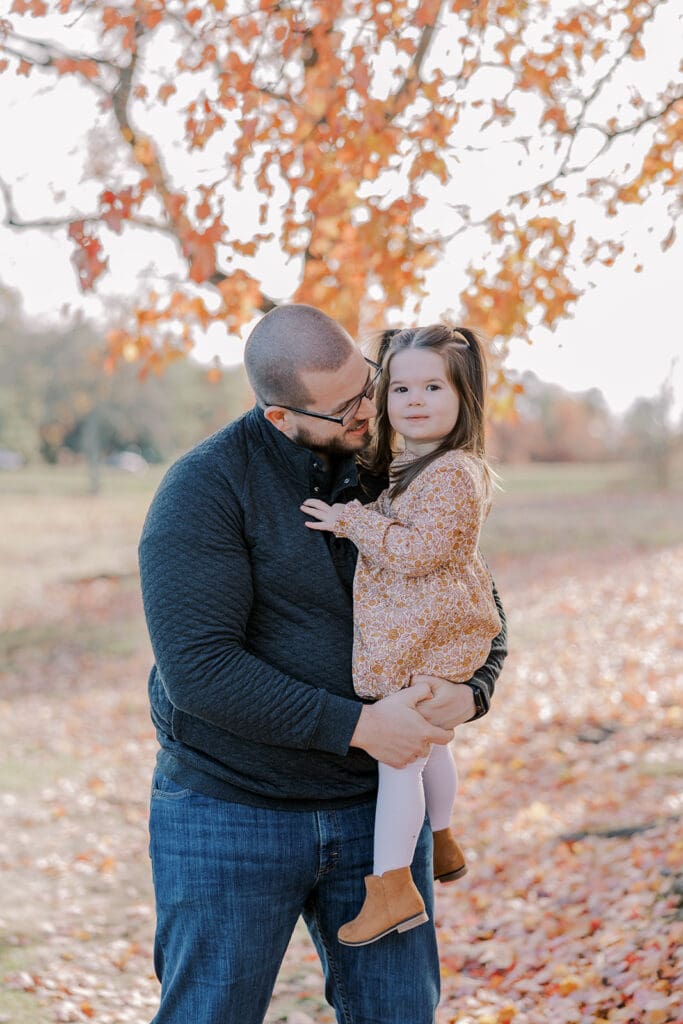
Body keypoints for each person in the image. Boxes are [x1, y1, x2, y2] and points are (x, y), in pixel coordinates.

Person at [138, 304, 508, 1024]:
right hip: (232, 811)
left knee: (400, 1015)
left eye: (368, 384)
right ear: (282, 417)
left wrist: (472, 692)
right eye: (347, 407)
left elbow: (474, 598)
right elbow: (200, 668)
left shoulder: (408, 472)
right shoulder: (204, 491)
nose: (372, 409)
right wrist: (360, 725)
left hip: (376, 816)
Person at [301, 324, 501, 948]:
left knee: (399, 758)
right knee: (433, 748)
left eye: (433, 386)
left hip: (428, 640)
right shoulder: (420, 465)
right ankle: (441, 838)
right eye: (401, 388)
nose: (414, 400)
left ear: (465, 399)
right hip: (432, 632)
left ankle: (391, 887)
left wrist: (350, 520)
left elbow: (417, 553)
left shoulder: (450, 475)